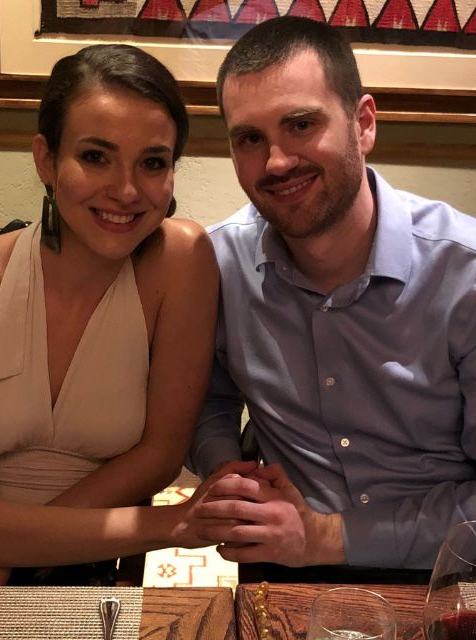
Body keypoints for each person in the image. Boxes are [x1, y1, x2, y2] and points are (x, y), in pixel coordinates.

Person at [187, 16, 476, 581]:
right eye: (250, 139)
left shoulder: (464, 276)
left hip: (447, 575)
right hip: (281, 570)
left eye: (300, 124)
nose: (276, 162)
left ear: (363, 124)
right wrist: (229, 471)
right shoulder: (217, 266)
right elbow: (207, 401)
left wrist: (324, 537)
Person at [0, 43, 222, 586]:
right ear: (46, 160)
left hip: (70, 569)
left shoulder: (182, 261)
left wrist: (7, 556)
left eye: (152, 163)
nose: (126, 191)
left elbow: (159, 455)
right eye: (96, 157)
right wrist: (173, 524)